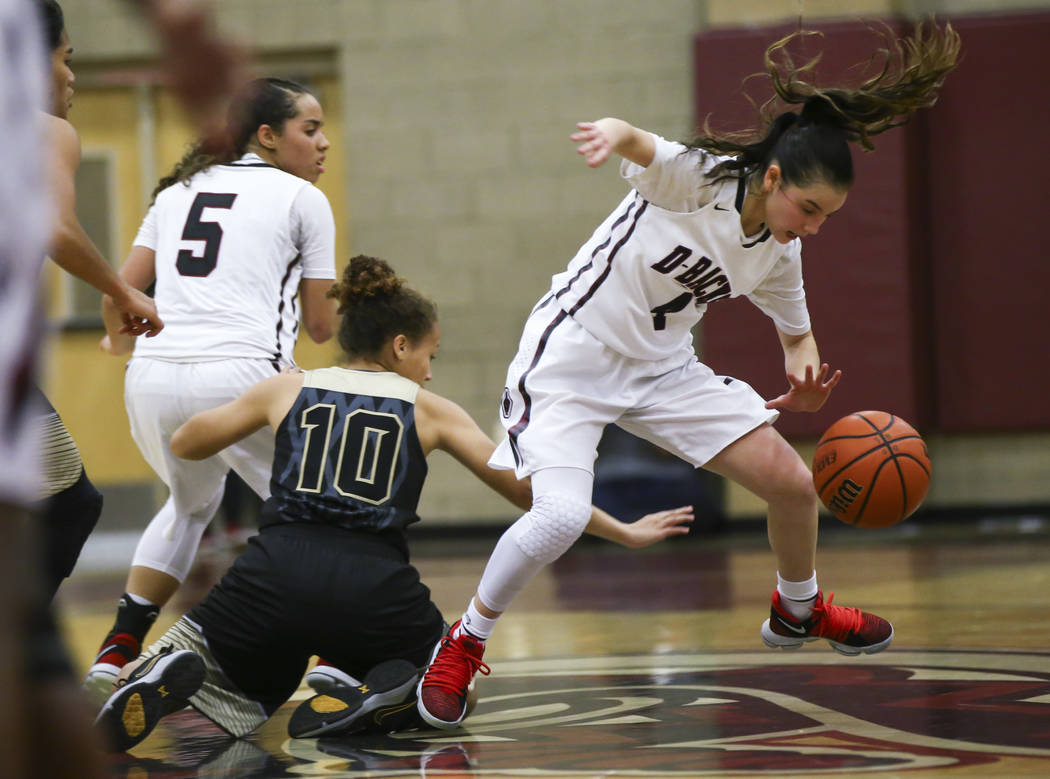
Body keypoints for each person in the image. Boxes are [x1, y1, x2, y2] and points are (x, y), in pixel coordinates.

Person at [415, 21, 962, 730]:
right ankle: (462, 643)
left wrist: (804, 383)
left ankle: (798, 607)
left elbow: (797, 335)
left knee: (794, 484)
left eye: (828, 217)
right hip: (573, 356)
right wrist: (611, 131)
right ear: (772, 178)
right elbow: (641, 141)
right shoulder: (702, 178)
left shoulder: (777, 252)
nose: (816, 228)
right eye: (811, 209)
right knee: (556, 515)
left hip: (663, 370)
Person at [93, 255, 694, 751]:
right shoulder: (430, 409)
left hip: (271, 570)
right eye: (430, 354)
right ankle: (360, 690)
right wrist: (620, 529)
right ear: (401, 346)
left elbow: (186, 442)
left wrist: (266, 406)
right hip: (372, 585)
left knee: (236, 691)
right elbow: (532, 495)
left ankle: (165, 671)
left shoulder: (288, 387)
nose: (430, 373)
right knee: (453, 691)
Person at [83, 75, 339, 702]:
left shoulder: (177, 193)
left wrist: (120, 337)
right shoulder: (303, 199)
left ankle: (117, 651)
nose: (324, 143)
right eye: (311, 129)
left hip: (151, 379)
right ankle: (336, 657)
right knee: (325, 514)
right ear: (268, 136)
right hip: (243, 377)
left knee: (187, 506)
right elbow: (323, 327)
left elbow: (118, 294)